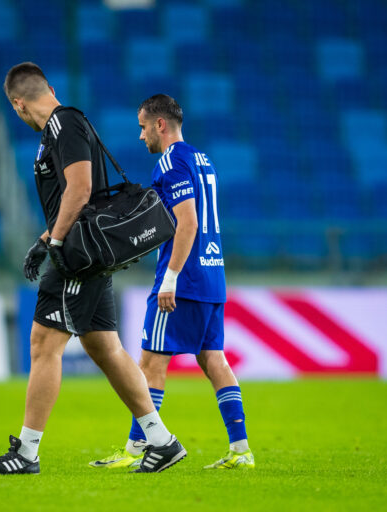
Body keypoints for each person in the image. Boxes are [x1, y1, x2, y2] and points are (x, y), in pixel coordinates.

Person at [0, 63, 186, 475]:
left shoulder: (62, 124)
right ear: (49, 88)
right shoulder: (65, 125)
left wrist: (53, 243)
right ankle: (162, 441)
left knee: (43, 345)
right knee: (104, 348)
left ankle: (27, 453)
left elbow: (81, 189)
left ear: (17, 104)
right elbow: (72, 198)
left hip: (77, 255)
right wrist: (43, 240)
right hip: (86, 251)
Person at [89, 94, 254, 470]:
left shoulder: (170, 161)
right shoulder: (202, 159)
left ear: (160, 124)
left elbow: (188, 222)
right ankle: (241, 449)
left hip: (184, 279)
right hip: (213, 275)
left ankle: (136, 449)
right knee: (213, 359)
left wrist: (171, 278)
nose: (141, 135)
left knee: (149, 363)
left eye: (143, 127)